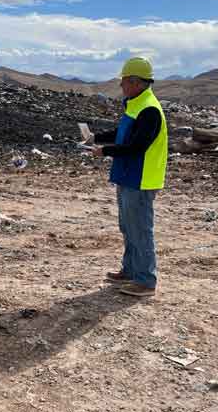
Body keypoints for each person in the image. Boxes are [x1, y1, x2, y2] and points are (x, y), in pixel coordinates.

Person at [90, 57, 168, 297]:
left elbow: (136, 147)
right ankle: (131, 271)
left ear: (135, 82)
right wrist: (97, 138)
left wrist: (105, 151)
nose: (121, 86)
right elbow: (122, 133)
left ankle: (145, 280)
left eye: (123, 81)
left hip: (141, 178)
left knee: (140, 229)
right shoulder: (136, 104)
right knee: (127, 226)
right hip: (128, 175)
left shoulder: (150, 110)